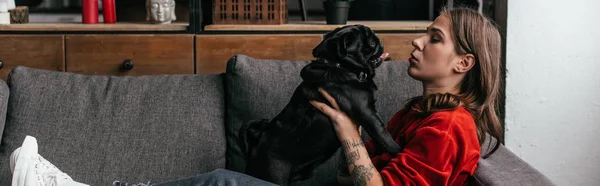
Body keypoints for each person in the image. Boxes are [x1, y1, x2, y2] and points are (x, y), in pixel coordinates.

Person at [9, 7, 502, 186]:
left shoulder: (451, 127)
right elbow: (362, 173)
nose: (418, 41)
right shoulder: (416, 111)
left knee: (224, 181)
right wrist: (354, 153)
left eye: (434, 38)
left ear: (463, 64)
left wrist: (349, 132)